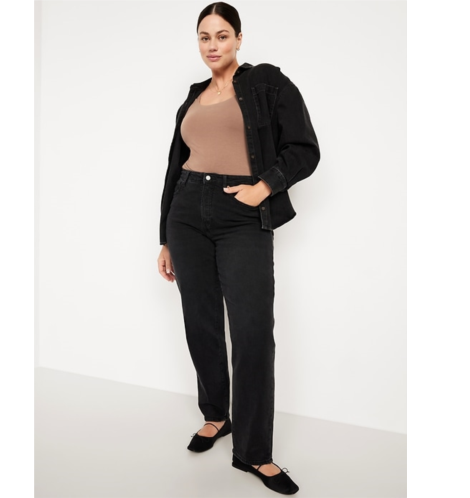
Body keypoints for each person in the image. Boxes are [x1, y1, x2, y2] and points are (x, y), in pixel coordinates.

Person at [157, 2, 319, 495]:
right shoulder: (193, 96)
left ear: (239, 39)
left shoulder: (266, 82)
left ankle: (254, 452)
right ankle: (216, 415)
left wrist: (264, 186)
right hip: (187, 213)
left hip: (242, 216)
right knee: (200, 321)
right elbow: (175, 166)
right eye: (204, 37)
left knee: (251, 331)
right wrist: (164, 237)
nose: (213, 45)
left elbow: (304, 148)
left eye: (222, 35)